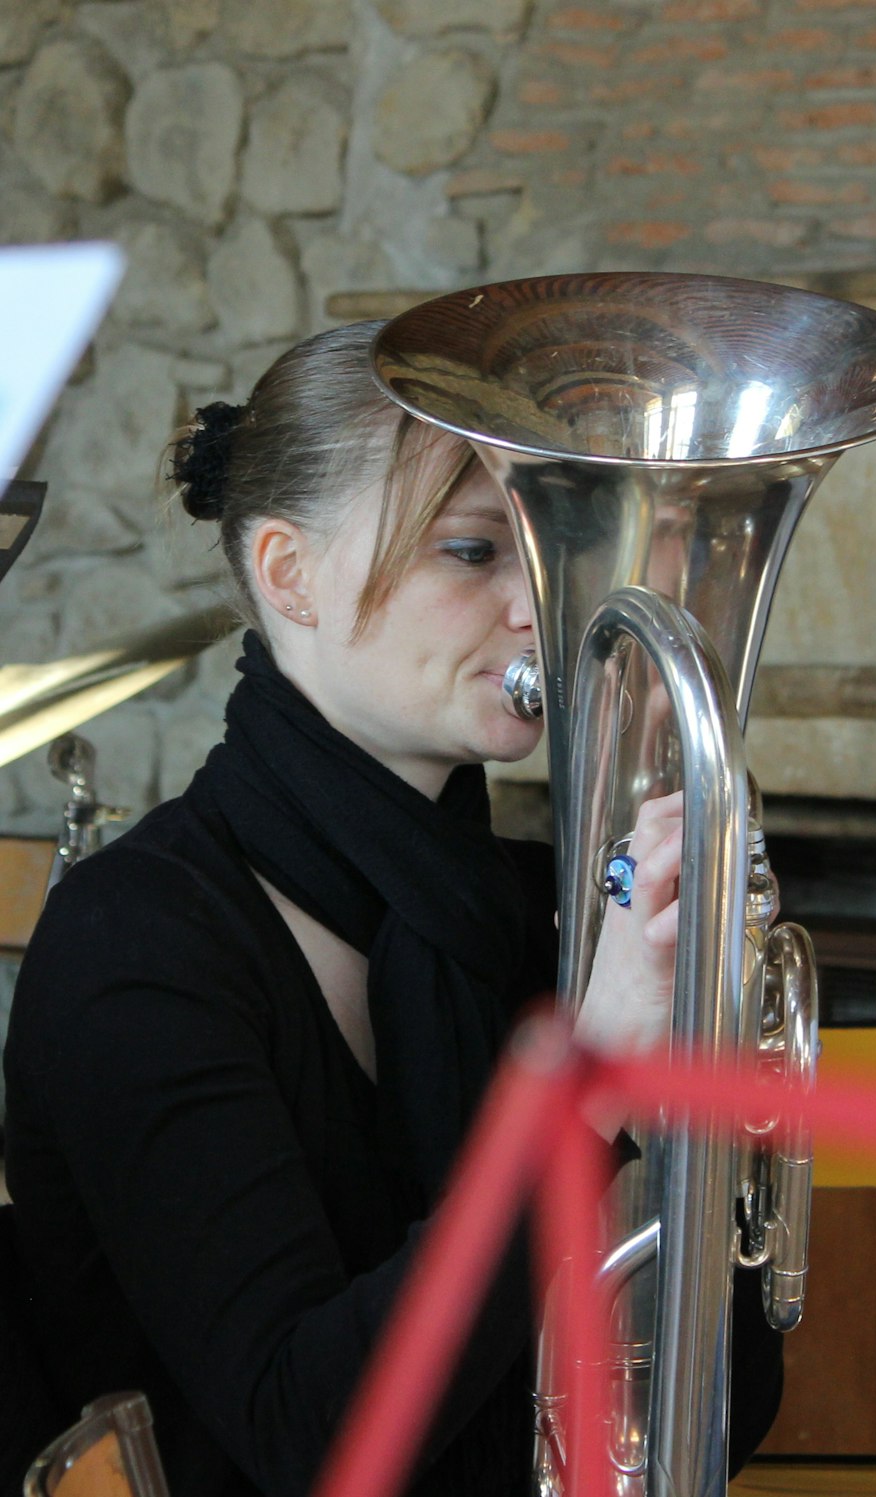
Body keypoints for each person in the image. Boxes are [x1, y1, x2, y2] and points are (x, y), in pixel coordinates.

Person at [2, 323, 782, 1497]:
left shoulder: (550, 914)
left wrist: (696, 1089)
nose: (538, 608)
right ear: (287, 574)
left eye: (537, 550)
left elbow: (725, 1410)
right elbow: (306, 1435)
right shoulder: (137, 945)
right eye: (472, 552)